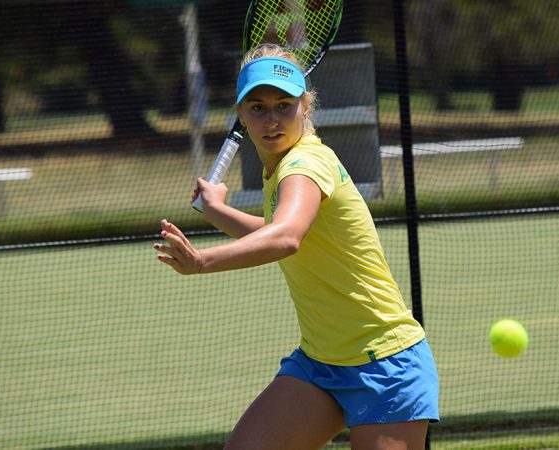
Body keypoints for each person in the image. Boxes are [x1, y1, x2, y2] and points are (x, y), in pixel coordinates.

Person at [153, 43, 439, 449]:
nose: (272, 119)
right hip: (321, 363)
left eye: (284, 105)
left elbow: (287, 237)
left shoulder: (305, 164)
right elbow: (277, 228)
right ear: (240, 114)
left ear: (305, 106)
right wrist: (217, 211)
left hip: (385, 365)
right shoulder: (282, 168)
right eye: (258, 107)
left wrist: (202, 262)